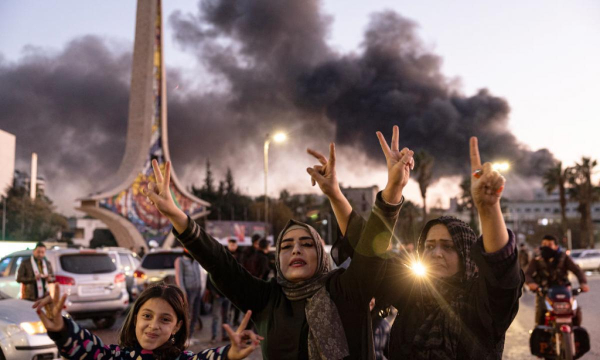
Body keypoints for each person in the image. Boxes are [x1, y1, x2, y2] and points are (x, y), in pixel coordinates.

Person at [143, 132, 411, 360]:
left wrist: (392, 190)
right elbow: (219, 263)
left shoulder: (348, 289)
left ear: (320, 255)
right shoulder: (268, 300)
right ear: (277, 258)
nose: (296, 250)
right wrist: (176, 215)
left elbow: (370, 249)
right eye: (286, 246)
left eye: (307, 244)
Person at [308, 131, 523, 359]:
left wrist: (489, 210)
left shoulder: (483, 303)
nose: (437, 253)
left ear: (467, 255)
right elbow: (367, 250)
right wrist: (386, 189)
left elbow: (501, 273)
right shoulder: (412, 293)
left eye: (448, 246)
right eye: (429, 247)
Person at [33, 283, 261, 360]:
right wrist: (62, 328)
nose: (153, 326)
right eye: (147, 316)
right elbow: (90, 349)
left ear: (177, 326)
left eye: (165, 319)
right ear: (134, 319)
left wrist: (229, 354)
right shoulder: (116, 357)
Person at [525, 234, 589, 325]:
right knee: (540, 318)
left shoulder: (563, 257)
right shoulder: (536, 260)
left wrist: (583, 283)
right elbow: (527, 274)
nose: (546, 247)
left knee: (575, 313)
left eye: (549, 244)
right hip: (544, 291)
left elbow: (577, 270)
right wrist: (531, 283)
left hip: (563, 289)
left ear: (556, 246)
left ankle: (575, 336)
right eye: (544, 244)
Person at [174, 249, 206, 340]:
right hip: (188, 292)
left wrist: (202, 289)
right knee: (187, 315)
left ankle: (190, 336)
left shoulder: (195, 261)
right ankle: (184, 338)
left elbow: (201, 275)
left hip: (198, 291)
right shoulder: (180, 260)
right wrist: (183, 292)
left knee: (195, 314)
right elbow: (179, 277)